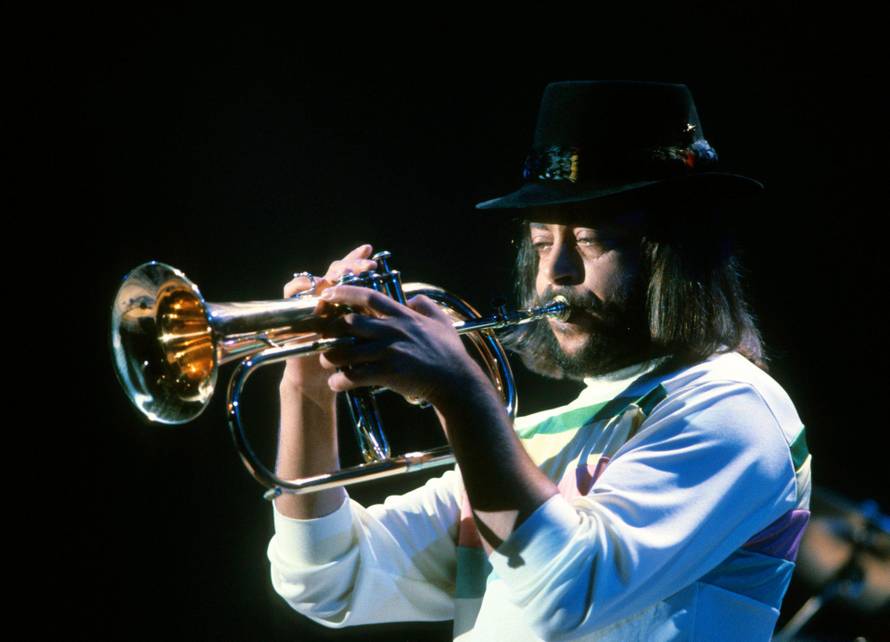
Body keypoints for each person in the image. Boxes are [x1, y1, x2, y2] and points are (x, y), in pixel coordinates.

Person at [266, 81, 813, 641]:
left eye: (591, 240)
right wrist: (307, 386)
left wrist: (460, 393)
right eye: (541, 242)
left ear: (674, 256)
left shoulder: (734, 408)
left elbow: (560, 593)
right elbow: (328, 578)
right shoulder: (532, 440)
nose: (557, 272)